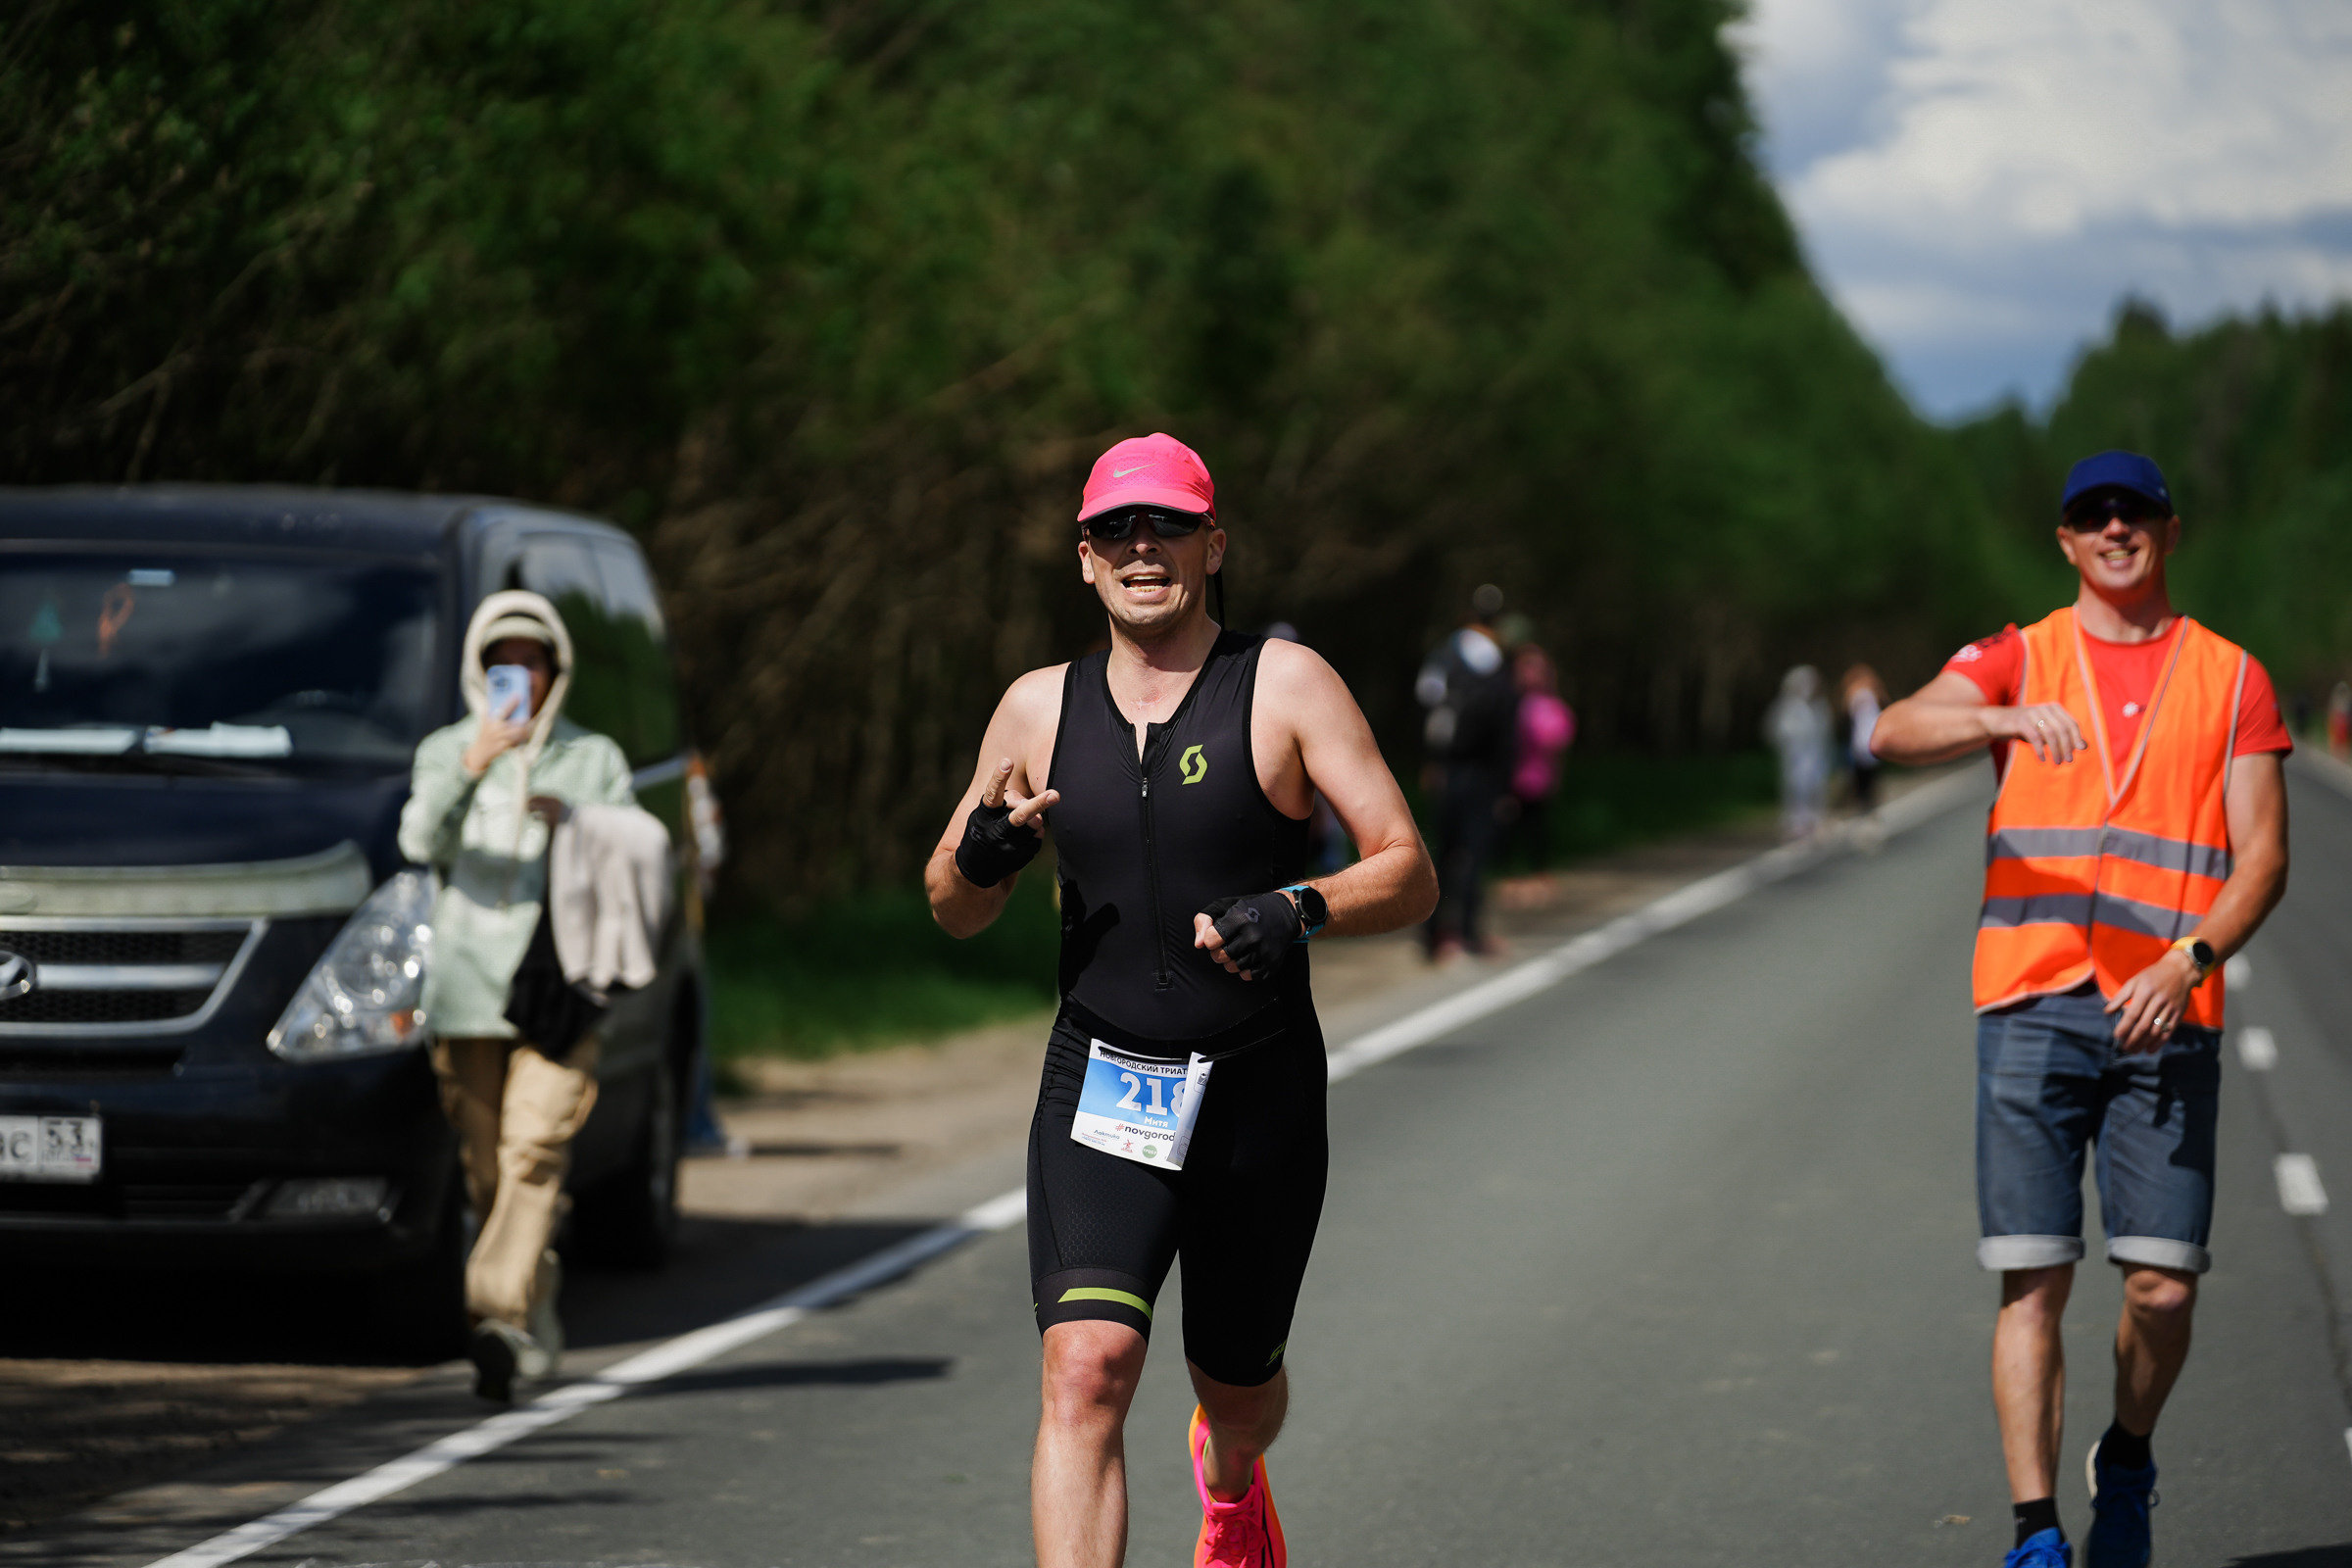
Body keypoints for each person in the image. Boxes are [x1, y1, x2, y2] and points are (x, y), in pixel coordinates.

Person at [924, 432, 1436, 1568]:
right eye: (1115, 529)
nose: (1139, 547)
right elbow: (949, 903)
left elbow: (1409, 867)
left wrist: (1299, 905)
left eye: (1163, 526)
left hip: (1257, 1089)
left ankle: (1234, 1474)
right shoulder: (1033, 708)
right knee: (1086, 1368)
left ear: (1214, 545)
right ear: (1084, 558)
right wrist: (985, 857)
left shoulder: (1285, 685)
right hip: (1105, 1080)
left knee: (1238, 1386)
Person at [1871, 451, 2291, 1568]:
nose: (2115, 528)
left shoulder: (2232, 676)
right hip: (2029, 1003)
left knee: (2158, 1286)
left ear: (2168, 529)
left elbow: (2263, 859)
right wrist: (2000, 720)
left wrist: (2191, 956)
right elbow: (1894, 731)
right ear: (2064, 541)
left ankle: (2132, 1456)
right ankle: (2035, 1531)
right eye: (2091, 515)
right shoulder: (2018, 655)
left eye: (2135, 512)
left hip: (2167, 1012)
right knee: (2035, 1276)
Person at [398, 590, 636, 1402]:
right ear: (479, 669)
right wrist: (473, 768)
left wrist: (575, 819)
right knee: (489, 1172)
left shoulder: (592, 756)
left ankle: (493, 1311)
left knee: (534, 1147)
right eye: (502, 660)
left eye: (531, 661)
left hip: (561, 982)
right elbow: (415, 841)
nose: (516, 675)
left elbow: (635, 851)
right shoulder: (445, 750)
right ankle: (533, 1308)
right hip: (468, 986)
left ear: (554, 670)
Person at [1415, 584, 1516, 957]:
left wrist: (1430, 760)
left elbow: (1427, 703)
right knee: (1475, 851)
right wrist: (1506, 783)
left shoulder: (1447, 653)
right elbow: (1506, 728)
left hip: (1446, 768)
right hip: (1484, 772)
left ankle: (1432, 936)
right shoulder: (1499, 660)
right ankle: (1470, 933)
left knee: (1442, 852)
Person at [1501, 643, 1574, 870]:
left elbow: (1558, 742)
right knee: (1507, 836)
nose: (1529, 673)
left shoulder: (1553, 707)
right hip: (1507, 782)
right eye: (1525, 668)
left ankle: (1538, 873)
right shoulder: (1507, 703)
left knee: (1538, 832)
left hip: (1539, 782)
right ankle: (1510, 875)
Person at [1764, 663, 1833, 839]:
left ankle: (1814, 820)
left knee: (1815, 787)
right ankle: (1796, 822)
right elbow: (1778, 731)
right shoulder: (1788, 707)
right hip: (1795, 756)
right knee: (1796, 788)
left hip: (1814, 756)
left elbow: (1824, 732)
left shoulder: (1817, 707)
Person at [1839, 663, 1887, 810]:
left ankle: (1869, 808)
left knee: (1868, 779)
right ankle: (1865, 808)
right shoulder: (1856, 695)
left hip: (1869, 739)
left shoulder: (1871, 694)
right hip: (1862, 741)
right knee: (1863, 779)